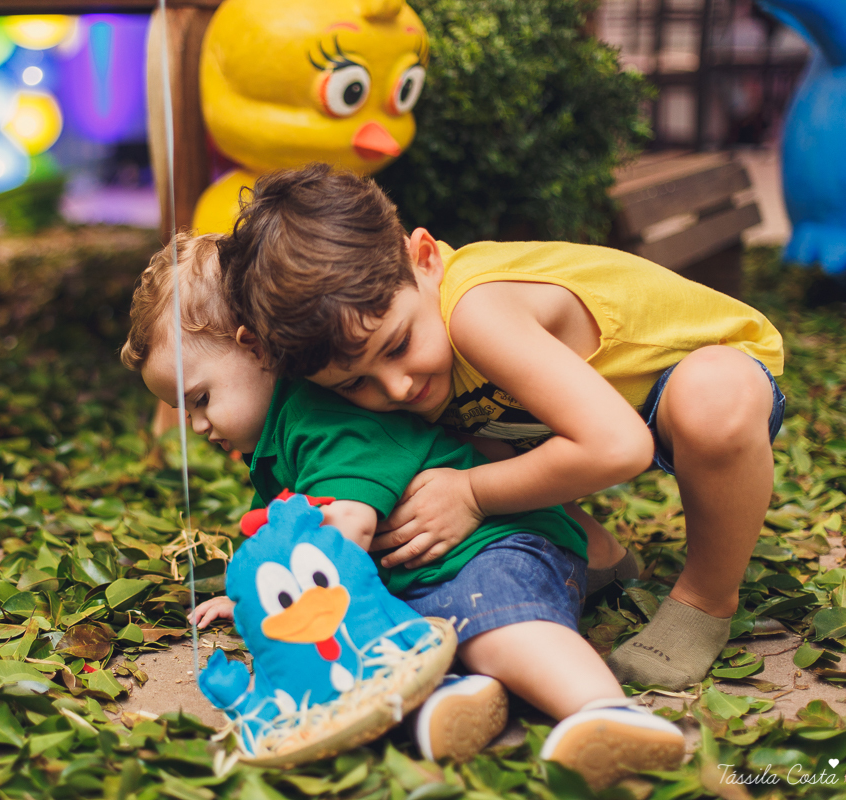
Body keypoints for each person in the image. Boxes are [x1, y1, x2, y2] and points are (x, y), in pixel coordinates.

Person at [119, 232, 685, 788]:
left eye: (200, 399)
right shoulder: (272, 443)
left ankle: (604, 710)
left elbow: (345, 526)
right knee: (413, 640)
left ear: (256, 350)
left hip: (494, 545)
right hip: (423, 571)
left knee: (499, 624)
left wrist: (288, 579)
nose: (195, 425)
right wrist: (259, 587)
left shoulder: (323, 417)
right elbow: (285, 533)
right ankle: (458, 700)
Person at [218, 164, 786, 692]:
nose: (395, 387)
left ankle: (706, 600)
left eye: (397, 345)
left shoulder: (475, 310)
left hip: (684, 381)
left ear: (423, 258)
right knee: (432, 451)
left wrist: (470, 493)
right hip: (560, 415)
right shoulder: (409, 350)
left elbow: (620, 446)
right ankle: (600, 556)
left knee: (712, 398)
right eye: (353, 382)